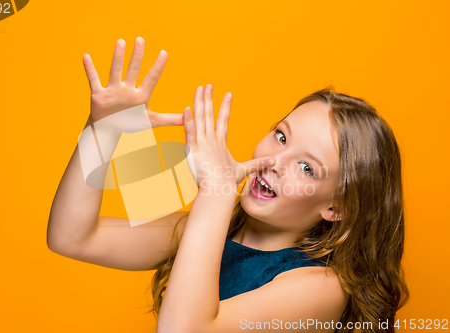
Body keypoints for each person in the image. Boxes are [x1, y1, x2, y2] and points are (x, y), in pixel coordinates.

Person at [47, 37, 409, 333]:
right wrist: (102, 132)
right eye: (281, 137)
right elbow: (71, 237)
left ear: (337, 207)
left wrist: (215, 189)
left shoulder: (322, 288)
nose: (274, 162)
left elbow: (181, 330)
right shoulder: (206, 229)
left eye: (306, 167)